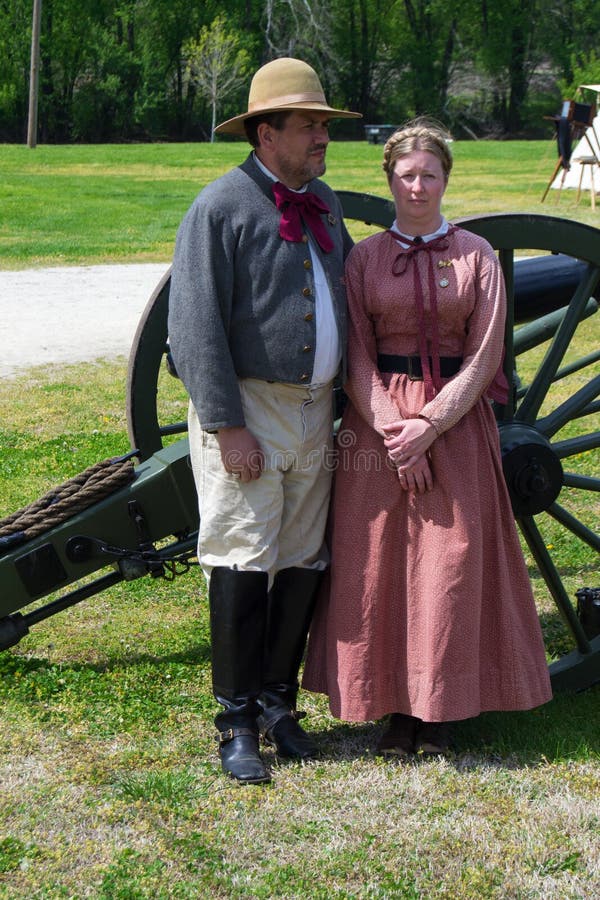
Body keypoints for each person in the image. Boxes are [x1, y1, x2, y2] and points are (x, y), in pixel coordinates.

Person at [302, 119, 553, 757]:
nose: (418, 186)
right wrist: (394, 429)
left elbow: (484, 356)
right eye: (407, 175)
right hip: (379, 424)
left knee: (449, 562)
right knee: (377, 563)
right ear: (390, 179)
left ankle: (440, 708)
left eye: (430, 175)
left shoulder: (475, 257)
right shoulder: (364, 258)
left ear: (446, 179)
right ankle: (391, 709)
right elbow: (355, 352)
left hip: (453, 426)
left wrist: (429, 427)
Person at [167, 58, 361, 784]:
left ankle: (280, 705)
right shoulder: (220, 207)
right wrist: (227, 426)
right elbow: (193, 330)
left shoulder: (327, 201)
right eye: (310, 125)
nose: (322, 137)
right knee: (245, 559)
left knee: (303, 558)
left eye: (324, 125)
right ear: (266, 131)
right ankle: (237, 721)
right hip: (249, 411)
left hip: (316, 414)